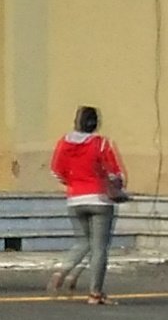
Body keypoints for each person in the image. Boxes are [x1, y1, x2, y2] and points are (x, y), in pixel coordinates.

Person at [50, 103, 128, 305]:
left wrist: (73, 183)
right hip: (100, 199)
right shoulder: (101, 144)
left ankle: (63, 269)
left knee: (83, 241)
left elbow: (56, 172)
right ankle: (95, 293)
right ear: (96, 124)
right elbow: (115, 173)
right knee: (99, 247)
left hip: (75, 198)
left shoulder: (63, 143)